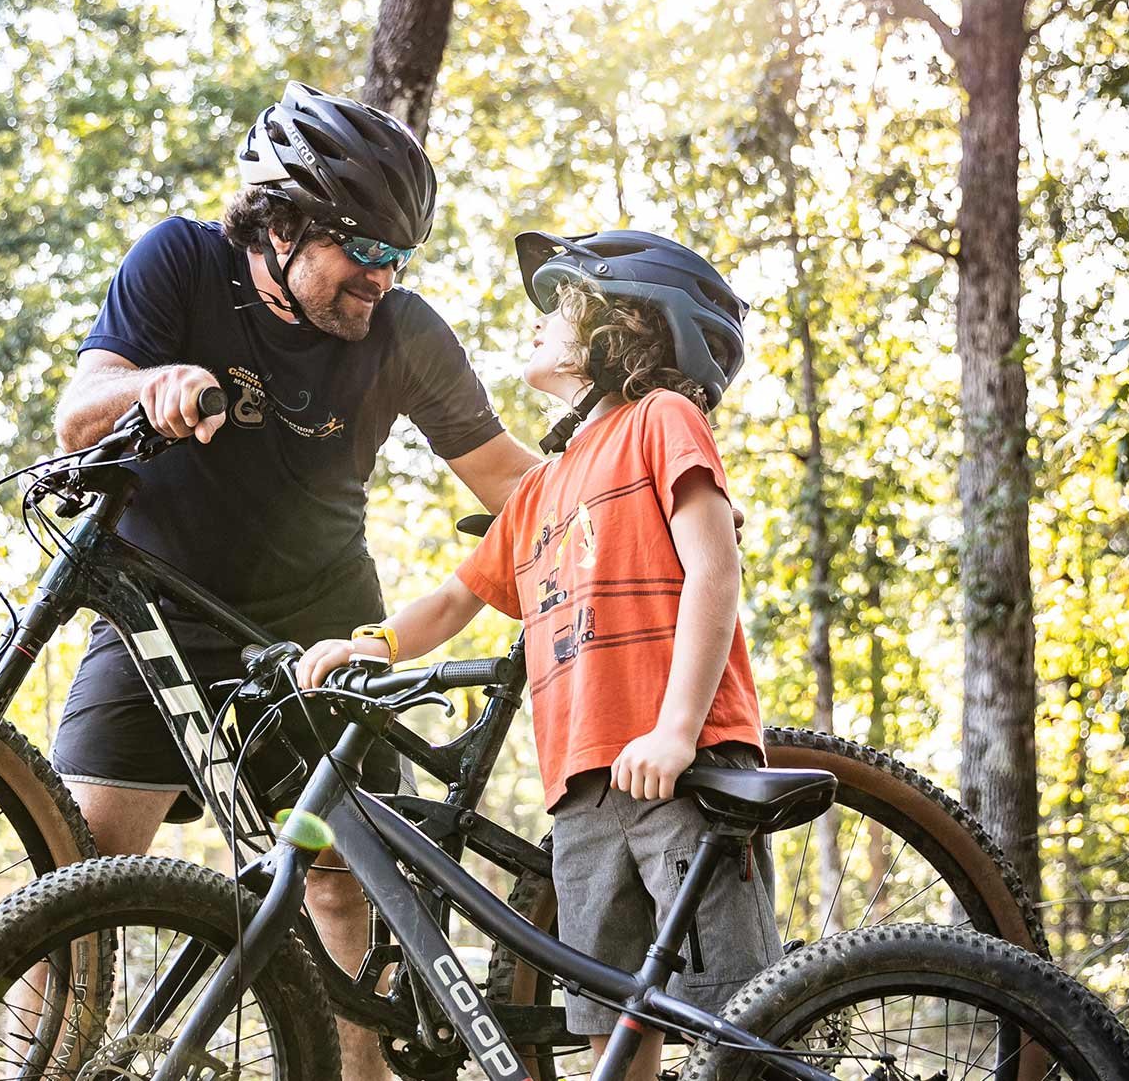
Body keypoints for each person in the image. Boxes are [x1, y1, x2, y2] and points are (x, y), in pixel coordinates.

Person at [50, 82, 540, 1079]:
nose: (385, 278)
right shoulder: (181, 262)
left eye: (403, 258)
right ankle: (40, 1067)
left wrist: (647, 495)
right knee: (78, 881)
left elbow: (510, 475)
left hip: (322, 628)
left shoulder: (403, 331)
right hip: (159, 611)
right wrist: (152, 384)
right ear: (283, 225)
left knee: (337, 886)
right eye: (365, 252)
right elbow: (79, 413)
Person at [298, 229, 780, 1079]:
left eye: (561, 309)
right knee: (610, 1026)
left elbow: (715, 567)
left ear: (620, 330)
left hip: (682, 766)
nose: (537, 324)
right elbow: (457, 598)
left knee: (735, 1017)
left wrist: (676, 731)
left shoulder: (661, 421)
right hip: (581, 787)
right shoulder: (545, 484)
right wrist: (369, 643)